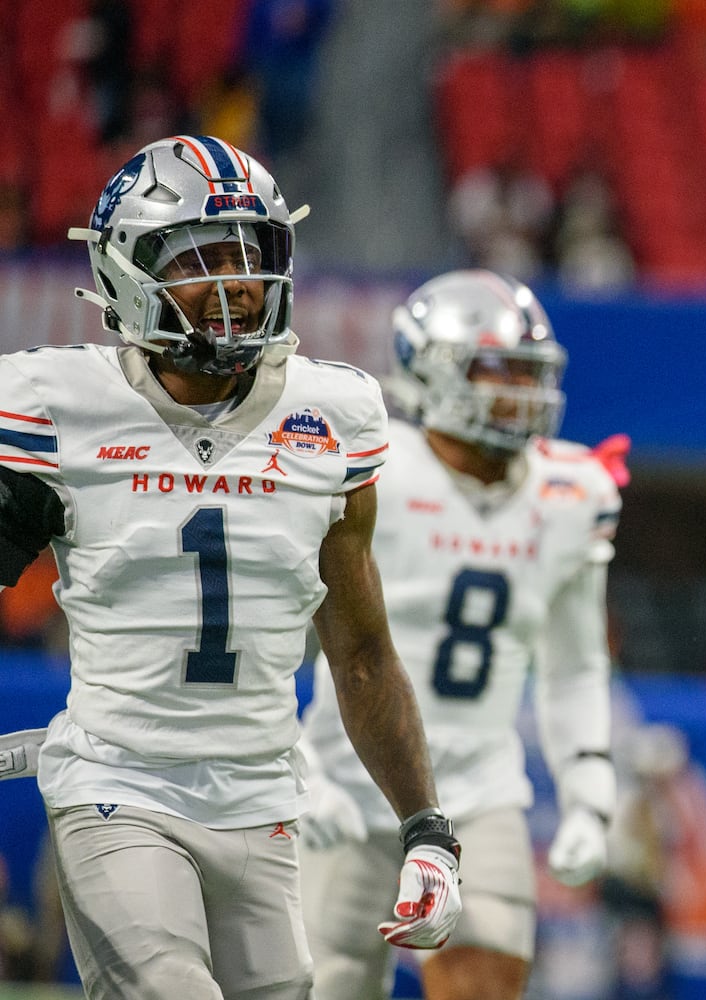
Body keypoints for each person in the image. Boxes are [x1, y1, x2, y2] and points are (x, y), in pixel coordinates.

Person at [0, 135, 462, 999]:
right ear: (128, 273)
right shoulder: (61, 406)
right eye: (203, 257)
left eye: (252, 255)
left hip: (261, 796)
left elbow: (362, 653)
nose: (238, 283)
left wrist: (427, 827)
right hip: (119, 781)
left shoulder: (333, 416)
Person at [296, 269, 624, 1000]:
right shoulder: (373, 471)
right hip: (349, 786)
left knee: (485, 980)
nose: (520, 391)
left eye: (529, 372)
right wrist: (297, 765)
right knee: (330, 984)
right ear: (431, 369)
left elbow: (574, 665)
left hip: (480, 790)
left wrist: (589, 788)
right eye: (498, 368)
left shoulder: (570, 492)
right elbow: (276, 628)